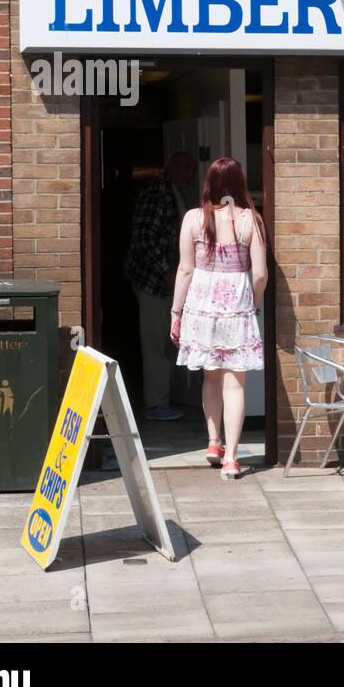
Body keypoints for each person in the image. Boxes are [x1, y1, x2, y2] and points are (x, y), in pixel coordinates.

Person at [170, 158, 267, 479]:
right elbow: (261, 274)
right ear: (240, 183)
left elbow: (185, 270)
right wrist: (251, 303)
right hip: (236, 308)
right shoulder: (250, 220)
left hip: (201, 307)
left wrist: (176, 313)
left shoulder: (194, 219)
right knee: (235, 384)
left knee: (210, 377)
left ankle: (213, 443)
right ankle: (232, 458)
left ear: (209, 183)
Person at [124, 151, 196, 421]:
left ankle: (163, 399)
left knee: (167, 340)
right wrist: (167, 273)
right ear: (172, 168)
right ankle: (156, 404)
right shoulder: (158, 194)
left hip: (168, 281)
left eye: (192, 170)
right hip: (153, 281)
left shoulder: (176, 194)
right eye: (186, 169)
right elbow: (144, 240)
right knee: (155, 342)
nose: (190, 175)